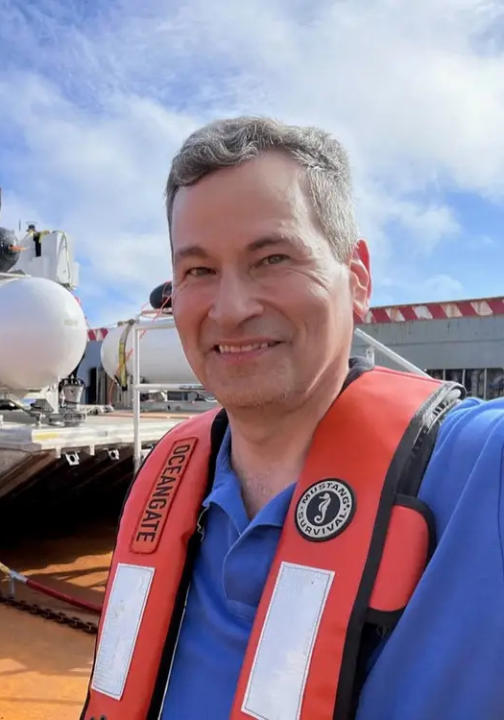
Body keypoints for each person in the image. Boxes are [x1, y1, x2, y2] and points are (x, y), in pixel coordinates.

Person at [81, 117, 504, 720]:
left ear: (356, 279)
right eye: (198, 270)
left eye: (273, 257)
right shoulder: (170, 480)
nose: (230, 310)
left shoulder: (475, 477)